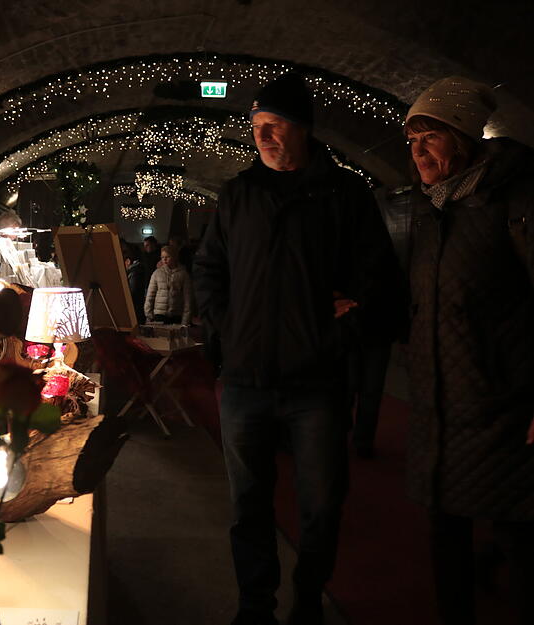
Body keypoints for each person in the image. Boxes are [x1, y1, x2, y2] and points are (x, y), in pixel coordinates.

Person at [193, 73, 404, 625]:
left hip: (317, 383)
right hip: (245, 378)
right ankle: (255, 606)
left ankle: (308, 599)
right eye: (258, 126)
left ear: (303, 128)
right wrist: (227, 326)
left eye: (275, 125)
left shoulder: (344, 195)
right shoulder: (240, 194)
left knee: (321, 504)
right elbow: (210, 268)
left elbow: (378, 281)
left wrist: (340, 331)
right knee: (248, 506)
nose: (264, 136)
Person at [403, 76, 534, 625]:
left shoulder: (515, 199)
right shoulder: (432, 211)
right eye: (412, 143)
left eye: (430, 137)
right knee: (444, 532)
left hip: (502, 403)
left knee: (518, 531)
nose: (418, 153)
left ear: (462, 137)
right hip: (440, 403)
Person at [145, 245, 191, 325]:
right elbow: (150, 295)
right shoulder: (157, 273)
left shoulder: (183, 274)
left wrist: (185, 320)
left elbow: (188, 299)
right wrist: (149, 314)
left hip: (176, 315)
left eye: (167, 256)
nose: (164, 259)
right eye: (162, 257)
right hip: (160, 314)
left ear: (174, 257)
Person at [121, 240, 147, 325]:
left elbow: (133, 292)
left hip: (135, 310)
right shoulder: (137, 271)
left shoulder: (135, 273)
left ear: (128, 261)